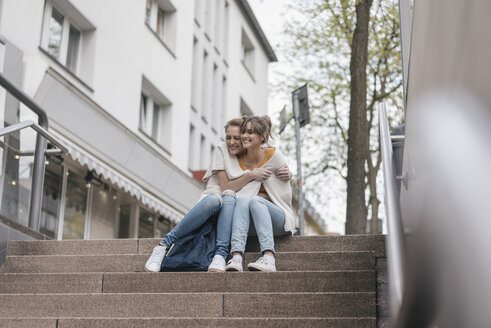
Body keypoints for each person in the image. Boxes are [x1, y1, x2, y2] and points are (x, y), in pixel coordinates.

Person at [144, 118, 291, 272]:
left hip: (232, 210)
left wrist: (288, 172)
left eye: (237, 138)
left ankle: (221, 256)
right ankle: (163, 246)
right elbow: (227, 186)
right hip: (213, 203)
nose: (232, 142)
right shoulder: (223, 150)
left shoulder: (250, 157)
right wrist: (251, 175)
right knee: (222, 197)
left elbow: (267, 161)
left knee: (231, 198)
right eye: (228, 137)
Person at [224, 115, 296, 272]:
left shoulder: (274, 156)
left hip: (278, 217)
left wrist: (289, 174)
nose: (244, 136)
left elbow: (281, 192)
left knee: (255, 201)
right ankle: (236, 257)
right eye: (243, 132)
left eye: (250, 132)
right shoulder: (238, 160)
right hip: (247, 221)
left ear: (262, 136)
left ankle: (269, 257)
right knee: (244, 200)